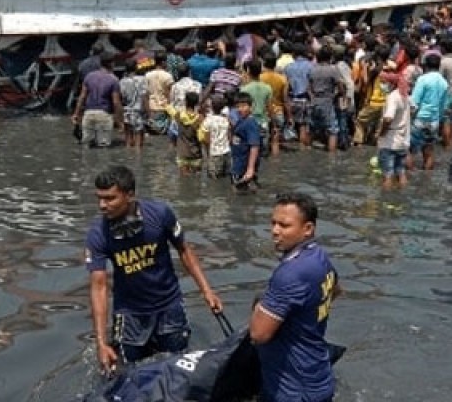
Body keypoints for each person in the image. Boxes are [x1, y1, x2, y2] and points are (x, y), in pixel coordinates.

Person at [85, 165, 223, 370]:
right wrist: (101, 343)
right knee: (127, 373)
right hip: (130, 313)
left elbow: (184, 249)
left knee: (179, 367)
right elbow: (99, 287)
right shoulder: (98, 234)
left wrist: (207, 291)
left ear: (129, 195)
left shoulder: (160, 214)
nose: (102, 205)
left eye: (110, 198)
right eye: (99, 198)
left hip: (169, 306)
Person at [250, 192, 340, 402]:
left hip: (292, 389)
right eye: (273, 223)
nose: (275, 231)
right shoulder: (320, 256)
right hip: (319, 377)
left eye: (284, 225)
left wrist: (260, 304)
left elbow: (258, 334)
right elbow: (336, 290)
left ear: (307, 229)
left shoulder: (291, 273)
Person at [71, 52, 124, 147]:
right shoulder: (113, 79)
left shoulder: (89, 77)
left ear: (100, 63)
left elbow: (82, 97)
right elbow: (116, 102)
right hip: (104, 114)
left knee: (86, 146)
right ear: (112, 64)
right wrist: (119, 121)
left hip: (88, 114)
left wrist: (76, 114)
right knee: (104, 148)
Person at [230, 91, 263, 190]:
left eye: (244, 106)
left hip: (244, 168)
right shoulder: (241, 120)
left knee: (241, 194)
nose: (240, 109)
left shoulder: (250, 123)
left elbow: (254, 146)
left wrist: (250, 169)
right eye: (238, 106)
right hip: (238, 164)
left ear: (251, 107)